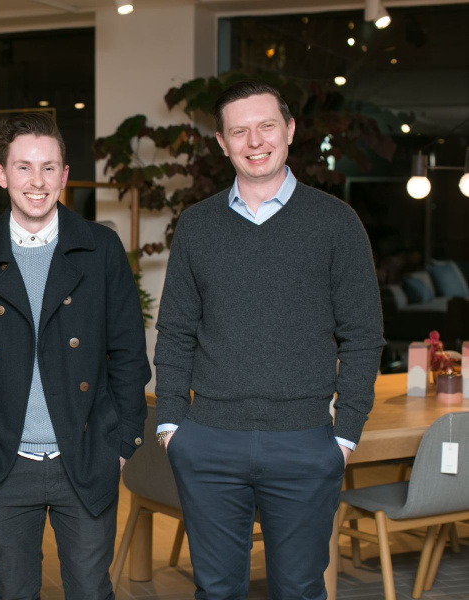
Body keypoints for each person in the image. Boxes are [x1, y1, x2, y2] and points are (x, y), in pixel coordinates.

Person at [154, 79, 383, 599]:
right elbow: (176, 331)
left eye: (266, 127)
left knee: (300, 590)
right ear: (222, 142)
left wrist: (345, 434)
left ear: (289, 130)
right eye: (240, 131)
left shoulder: (335, 223)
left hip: (305, 441)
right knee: (215, 591)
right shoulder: (197, 226)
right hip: (209, 440)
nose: (255, 141)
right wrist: (171, 423)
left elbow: (364, 335)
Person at [0, 112, 150, 599]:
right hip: (1, 460)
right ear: (1, 174)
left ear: (64, 174)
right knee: (13, 592)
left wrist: (120, 443)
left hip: (86, 454)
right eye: (24, 167)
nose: (37, 182)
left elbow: (128, 354)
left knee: (91, 591)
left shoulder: (100, 249)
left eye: (49, 167)